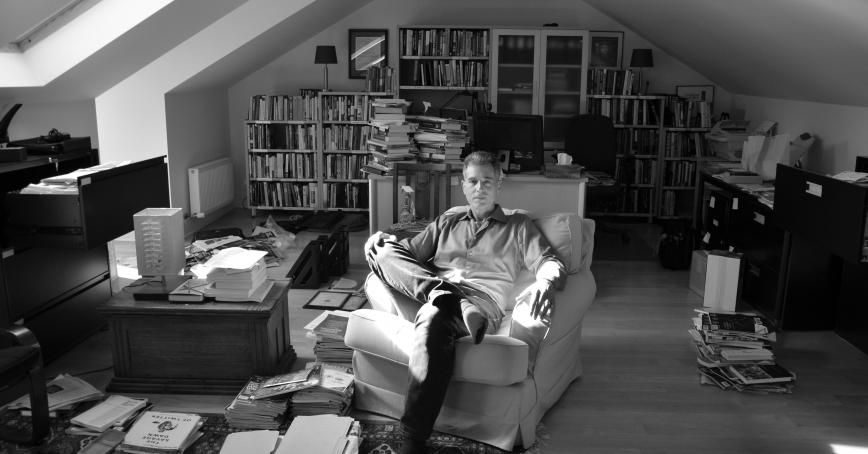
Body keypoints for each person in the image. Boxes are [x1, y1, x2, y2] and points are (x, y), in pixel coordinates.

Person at [364, 151, 566, 454]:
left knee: (433, 316)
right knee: (378, 246)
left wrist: (546, 282)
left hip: (481, 302)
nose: (479, 188)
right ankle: (445, 296)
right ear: (463, 184)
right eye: (472, 181)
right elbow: (405, 258)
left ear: (499, 183)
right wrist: (379, 245)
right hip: (439, 293)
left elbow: (550, 262)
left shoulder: (519, 225)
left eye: (487, 181)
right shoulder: (447, 221)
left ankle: (412, 438)